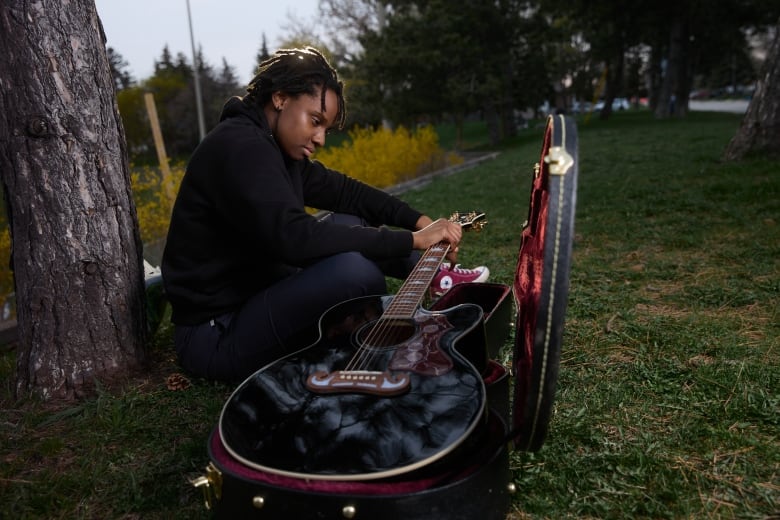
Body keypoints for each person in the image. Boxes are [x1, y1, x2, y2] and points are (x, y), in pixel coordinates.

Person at [161, 47, 489, 383]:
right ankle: (353, 323)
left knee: (349, 222)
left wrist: (419, 221)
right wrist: (414, 239)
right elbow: (295, 237)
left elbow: (348, 193)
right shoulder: (240, 147)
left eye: (325, 129)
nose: (319, 138)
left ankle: (435, 279)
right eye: (315, 121)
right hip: (215, 335)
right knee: (355, 273)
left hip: (253, 297)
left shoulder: (273, 147)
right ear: (280, 98)